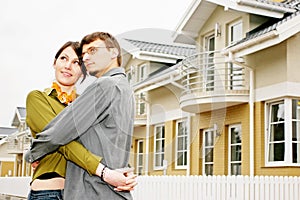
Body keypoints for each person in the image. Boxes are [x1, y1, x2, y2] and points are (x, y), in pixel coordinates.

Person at [26, 32, 135, 200]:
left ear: (83, 72)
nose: (68, 66)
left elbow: (107, 141)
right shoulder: (38, 98)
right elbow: (63, 143)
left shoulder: (91, 100)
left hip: (82, 191)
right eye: (63, 59)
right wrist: (34, 151)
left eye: (76, 62)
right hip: (49, 192)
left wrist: (122, 170)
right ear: (54, 63)